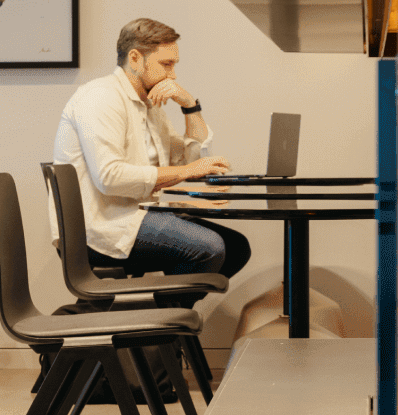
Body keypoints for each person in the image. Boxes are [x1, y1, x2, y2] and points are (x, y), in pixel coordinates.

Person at [54, 18, 252, 279]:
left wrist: (190, 106)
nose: (173, 75)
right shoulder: (100, 97)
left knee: (236, 248)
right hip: (102, 226)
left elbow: (187, 161)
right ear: (135, 59)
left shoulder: (151, 105)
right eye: (166, 65)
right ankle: (166, 314)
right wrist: (189, 171)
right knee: (209, 248)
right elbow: (109, 177)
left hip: (138, 215)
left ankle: (163, 311)